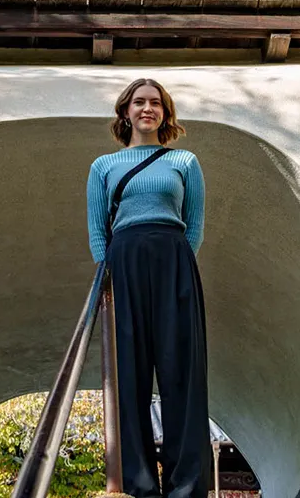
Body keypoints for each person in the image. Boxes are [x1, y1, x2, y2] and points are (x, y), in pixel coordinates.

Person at [86, 78, 209, 498]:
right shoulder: (102, 167)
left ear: (165, 113)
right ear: (125, 112)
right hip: (123, 263)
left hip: (174, 259)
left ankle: (186, 487)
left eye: (155, 103)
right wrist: (109, 277)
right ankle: (139, 487)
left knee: (182, 373)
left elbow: (193, 228)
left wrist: (172, 264)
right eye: (139, 102)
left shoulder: (185, 162)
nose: (147, 109)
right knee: (128, 375)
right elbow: (97, 232)